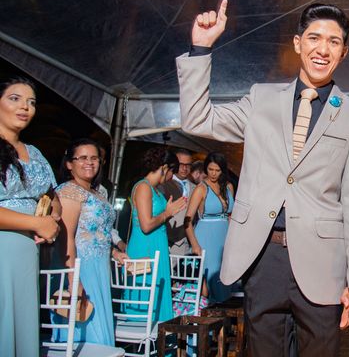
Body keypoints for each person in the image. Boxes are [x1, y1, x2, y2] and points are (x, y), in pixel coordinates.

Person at [177, 0, 349, 357]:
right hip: (262, 256)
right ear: (298, 43)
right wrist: (201, 48)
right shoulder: (261, 99)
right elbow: (197, 119)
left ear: (343, 52)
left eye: (333, 42)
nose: (322, 48)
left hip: (322, 262)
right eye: (314, 38)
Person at [0, 76, 61, 357]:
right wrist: (36, 222)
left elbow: (52, 195)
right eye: (15, 98)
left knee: (23, 321)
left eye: (31, 102)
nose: (25, 107)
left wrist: (53, 220)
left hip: (28, 250)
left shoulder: (34, 152)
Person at [53, 138, 128, 345]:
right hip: (80, 267)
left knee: (99, 327)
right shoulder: (69, 192)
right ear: (69, 164)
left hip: (100, 268)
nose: (89, 162)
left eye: (94, 158)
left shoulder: (96, 192)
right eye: (82, 158)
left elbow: (99, 232)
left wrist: (115, 252)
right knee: (84, 329)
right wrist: (73, 280)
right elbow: (65, 238)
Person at [124, 147, 186, 323]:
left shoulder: (158, 190)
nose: (171, 176)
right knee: (145, 294)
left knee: (159, 293)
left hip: (158, 244)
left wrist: (168, 213)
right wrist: (168, 213)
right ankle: (141, 338)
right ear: (165, 168)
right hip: (145, 247)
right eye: (172, 171)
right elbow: (146, 225)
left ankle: (159, 342)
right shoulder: (143, 187)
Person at [185, 152, 235, 302]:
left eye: (217, 170)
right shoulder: (201, 189)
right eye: (210, 169)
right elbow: (187, 220)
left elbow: (232, 216)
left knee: (226, 278)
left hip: (225, 237)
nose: (213, 173)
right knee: (211, 280)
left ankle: (225, 321)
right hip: (206, 238)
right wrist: (195, 245)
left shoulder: (228, 187)